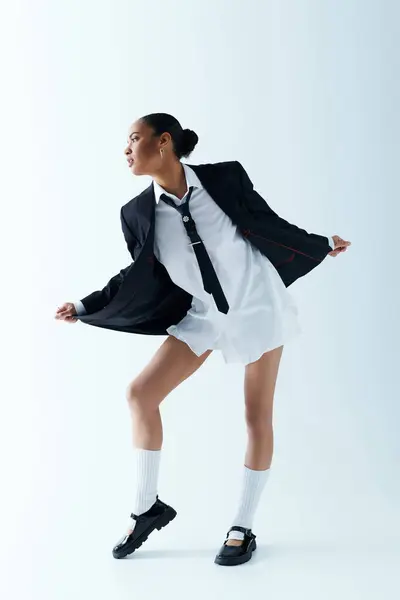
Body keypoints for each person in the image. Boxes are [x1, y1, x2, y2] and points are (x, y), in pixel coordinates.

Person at [55, 113, 351, 566]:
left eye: (134, 138)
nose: (126, 149)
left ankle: (242, 526)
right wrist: (85, 304)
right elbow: (135, 273)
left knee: (256, 414)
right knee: (140, 394)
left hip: (257, 305)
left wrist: (317, 244)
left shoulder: (224, 178)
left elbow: (266, 222)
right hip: (204, 314)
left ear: (164, 142)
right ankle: (146, 508)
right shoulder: (136, 214)